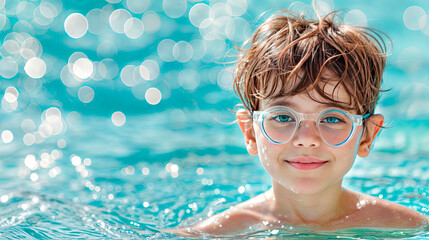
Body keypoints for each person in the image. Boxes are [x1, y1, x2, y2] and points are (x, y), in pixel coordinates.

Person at [167, 6, 429, 237]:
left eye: (332, 119)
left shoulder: (405, 227)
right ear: (249, 132)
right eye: (282, 117)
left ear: (367, 136)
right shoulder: (218, 235)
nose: (307, 138)